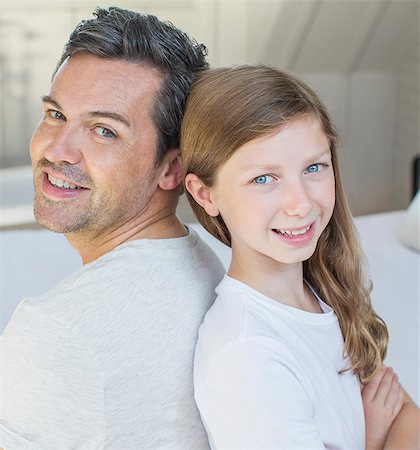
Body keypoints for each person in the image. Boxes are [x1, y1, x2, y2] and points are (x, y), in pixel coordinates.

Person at [0, 7, 224, 449]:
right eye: (56, 115)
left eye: (104, 131)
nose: (59, 150)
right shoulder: (200, 260)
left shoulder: (54, 332)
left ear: (172, 168)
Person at [182, 65, 419, 449]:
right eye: (264, 178)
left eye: (314, 167)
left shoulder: (326, 287)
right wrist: (371, 437)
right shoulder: (248, 360)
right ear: (206, 194)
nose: (301, 204)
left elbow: (407, 415)